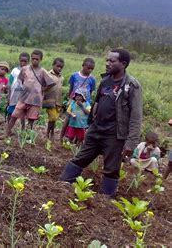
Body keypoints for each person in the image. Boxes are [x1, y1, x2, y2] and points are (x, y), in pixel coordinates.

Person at [60, 48, 142, 197]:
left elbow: (136, 116)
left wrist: (131, 142)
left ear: (123, 64)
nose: (107, 63)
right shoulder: (105, 81)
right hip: (96, 129)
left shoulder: (131, 85)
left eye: (112, 61)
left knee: (111, 169)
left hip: (114, 135)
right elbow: (96, 103)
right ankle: (62, 186)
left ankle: (104, 202)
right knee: (80, 158)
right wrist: (90, 125)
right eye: (107, 60)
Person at [5, 49, 55, 137]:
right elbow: (20, 79)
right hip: (23, 97)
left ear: (41, 60)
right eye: (33, 58)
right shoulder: (25, 69)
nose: (34, 61)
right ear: (31, 58)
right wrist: (23, 85)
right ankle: (7, 133)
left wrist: (43, 89)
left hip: (35, 100)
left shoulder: (42, 71)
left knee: (31, 120)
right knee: (14, 115)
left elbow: (51, 83)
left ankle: (28, 136)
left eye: (37, 59)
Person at [60, 58, 96, 141]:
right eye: (88, 68)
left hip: (84, 104)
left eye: (92, 69)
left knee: (81, 121)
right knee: (68, 119)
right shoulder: (74, 76)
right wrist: (70, 100)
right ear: (83, 66)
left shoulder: (92, 79)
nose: (90, 70)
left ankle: (77, 140)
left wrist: (86, 103)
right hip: (74, 101)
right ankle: (61, 137)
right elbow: (71, 89)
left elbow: (90, 92)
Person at [42, 57, 65, 140]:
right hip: (50, 100)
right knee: (53, 117)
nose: (59, 68)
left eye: (61, 67)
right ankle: (48, 132)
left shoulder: (61, 78)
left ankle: (51, 132)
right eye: (57, 66)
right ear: (53, 65)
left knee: (54, 119)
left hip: (58, 101)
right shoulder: (48, 74)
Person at [6, 53, 30, 124]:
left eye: (25, 61)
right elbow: (10, 82)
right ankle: (8, 126)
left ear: (28, 61)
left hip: (23, 96)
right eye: (21, 61)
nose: (23, 63)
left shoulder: (29, 72)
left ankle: (22, 128)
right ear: (19, 60)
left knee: (22, 113)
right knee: (10, 111)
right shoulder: (14, 70)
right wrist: (8, 95)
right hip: (13, 94)